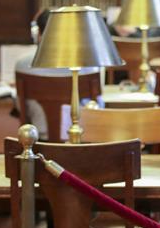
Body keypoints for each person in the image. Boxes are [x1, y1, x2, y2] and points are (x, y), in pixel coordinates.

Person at [15, 8, 100, 140]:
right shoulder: (89, 64)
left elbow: (21, 108)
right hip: (79, 138)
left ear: (38, 33)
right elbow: (98, 106)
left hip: (40, 139)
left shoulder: (23, 64)